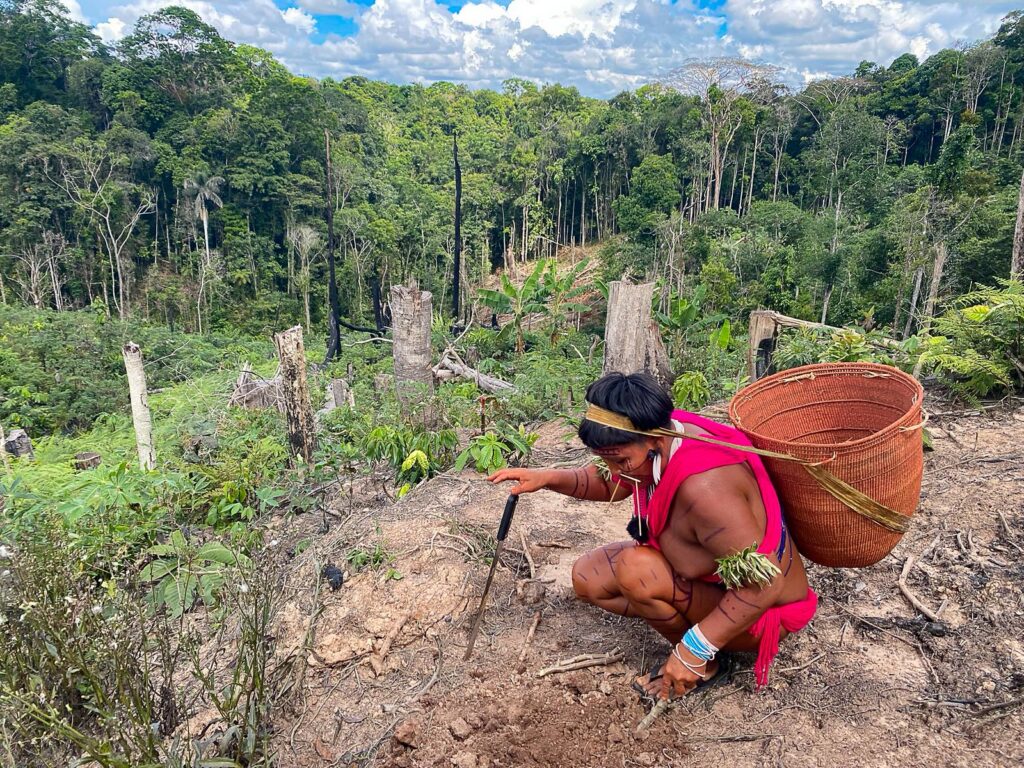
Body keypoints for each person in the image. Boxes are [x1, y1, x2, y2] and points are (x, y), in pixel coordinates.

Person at [489, 371, 817, 702]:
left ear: (653, 442)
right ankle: (696, 637)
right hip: (711, 583)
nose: (615, 470)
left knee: (635, 571)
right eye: (606, 459)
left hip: (763, 616)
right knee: (590, 578)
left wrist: (693, 651)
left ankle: (705, 663)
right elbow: (611, 480)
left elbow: (762, 584)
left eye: (620, 460)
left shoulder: (706, 490)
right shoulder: (661, 435)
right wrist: (547, 478)